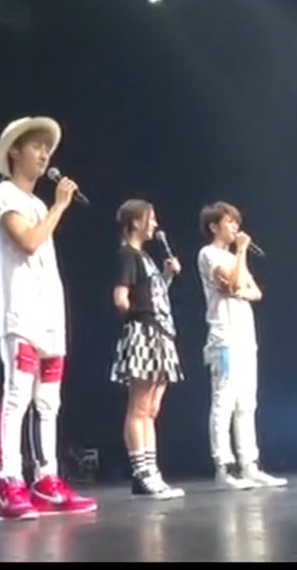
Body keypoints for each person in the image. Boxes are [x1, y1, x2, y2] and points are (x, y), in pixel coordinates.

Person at [0, 116, 97, 519]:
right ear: (15, 151)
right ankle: (10, 481)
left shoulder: (36, 204)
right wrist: (60, 206)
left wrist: (52, 208)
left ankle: (46, 479)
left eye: (47, 148)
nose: (44, 154)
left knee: (49, 400)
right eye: (36, 146)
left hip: (49, 313)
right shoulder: (4, 195)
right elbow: (28, 241)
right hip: (21, 313)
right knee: (18, 394)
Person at [196, 202, 287, 489]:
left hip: (245, 336)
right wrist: (241, 253)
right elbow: (234, 285)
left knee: (247, 402)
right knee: (224, 400)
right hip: (224, 337)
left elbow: (255, 292)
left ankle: (249, 464)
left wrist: (239, 281)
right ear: (214, 226)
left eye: (237, 222)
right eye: (230, 222)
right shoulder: (209, 254)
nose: (236, 227)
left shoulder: (233, 258)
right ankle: (225, 466)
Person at [110, 199, 186, 499]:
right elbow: (121, 298)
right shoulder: (127, 256)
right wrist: (136, 316)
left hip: (160, 333)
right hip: (144, 333)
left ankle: (151, 472)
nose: (154, 224)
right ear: (135, 222)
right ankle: (141, 473)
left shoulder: (145, 258)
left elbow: (154, 295)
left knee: (151, 409)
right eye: (150, 218)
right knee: (139, 407)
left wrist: (167, 277)